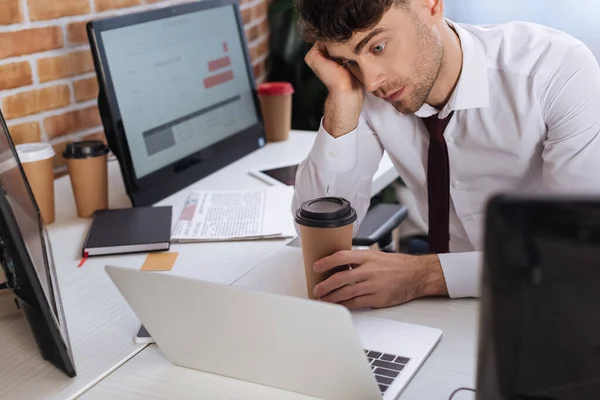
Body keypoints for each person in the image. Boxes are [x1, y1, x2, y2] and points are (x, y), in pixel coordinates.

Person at [291, 0, 600, 309]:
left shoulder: (555, 71)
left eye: (378, 47)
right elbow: (315, 235)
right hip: (446, 309)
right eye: (349, 62)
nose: (372, 82)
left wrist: (424, 275)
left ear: (430, 5)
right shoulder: (366, 92)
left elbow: (577, 250)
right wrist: (340, 107)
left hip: (549, 302)